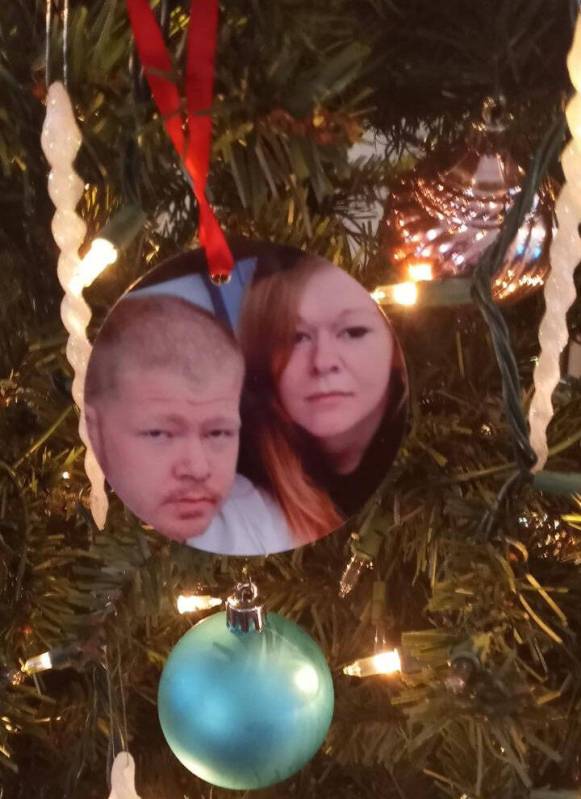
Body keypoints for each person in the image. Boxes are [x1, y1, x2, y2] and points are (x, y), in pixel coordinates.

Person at [84, 293, 294, 556]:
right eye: (159, 433)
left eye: (218, 432)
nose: (197, 468)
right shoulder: (79, 544)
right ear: (93, 430)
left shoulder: (258, 520)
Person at [239, 255, 407, 533]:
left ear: (395, 349)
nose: (323, 361)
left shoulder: (420, 464)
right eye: (296, 337)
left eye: (353, 332)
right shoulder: (239, 482)